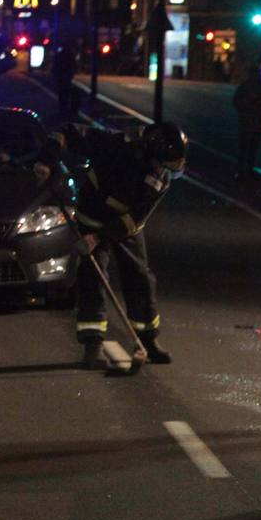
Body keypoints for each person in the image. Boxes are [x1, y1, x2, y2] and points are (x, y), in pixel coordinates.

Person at [47, 121, 188, 368]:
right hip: (92, 218)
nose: (161, 172)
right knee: (93, 278)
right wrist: (47, 157)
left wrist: (99, 238)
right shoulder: (114, 146)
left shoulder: (161, 180)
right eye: (159, 164)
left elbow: (134, 218)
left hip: (125, 228)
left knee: (140, 279)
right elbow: (66, 133)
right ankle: (93, 345)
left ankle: (147, 339)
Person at [232, 62, 261, 183]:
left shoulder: (250, 87)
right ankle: (244, 170)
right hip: (252, 120)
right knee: (249, 148)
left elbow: (237, 102)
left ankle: (244, 170)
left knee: (247, 148)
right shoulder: (257, 87)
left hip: (251, 121)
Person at [52, 43, 79, 119]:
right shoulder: (70, 55)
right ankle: (64, 109)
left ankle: (62, 109)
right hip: (66, 76)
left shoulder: (60, 55)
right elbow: (74, 66)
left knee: (62, 93)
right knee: (65, 92)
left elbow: (55, 65)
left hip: (62, 76)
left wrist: (54, 74)